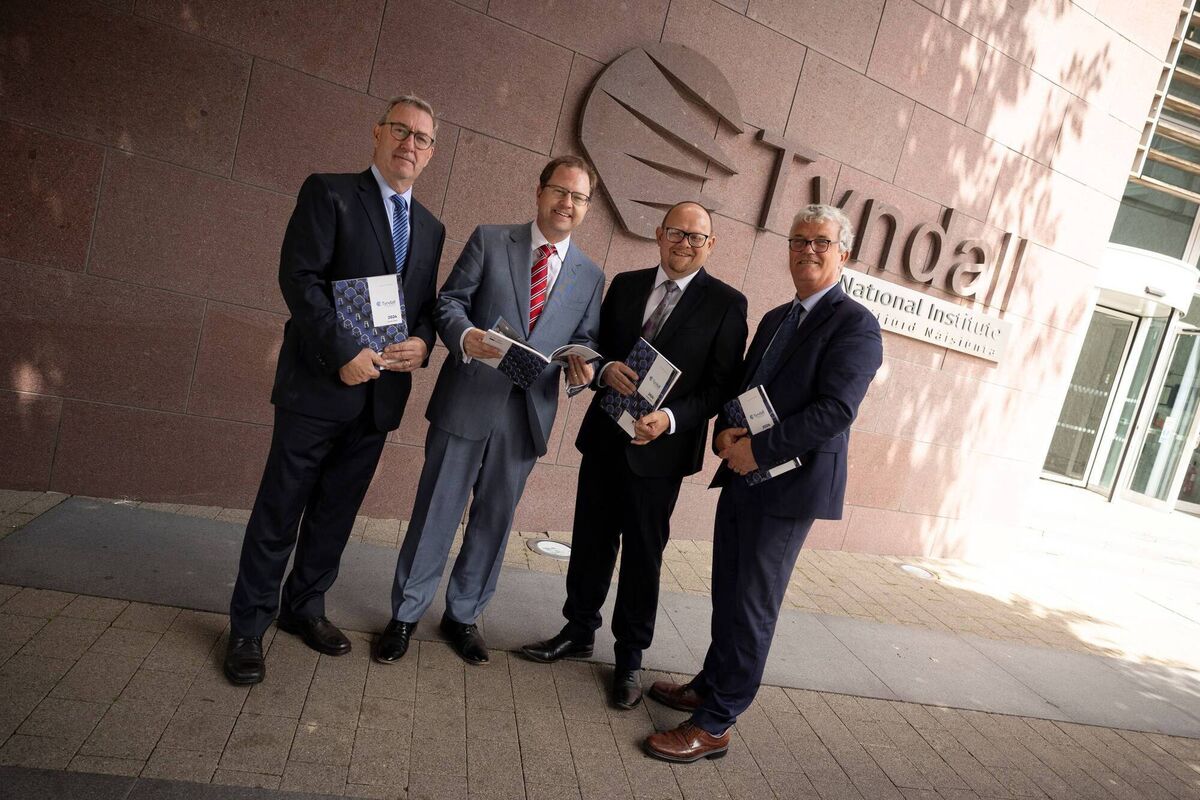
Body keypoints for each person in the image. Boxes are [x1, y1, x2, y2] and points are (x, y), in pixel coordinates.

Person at [643, 204, 883, 761]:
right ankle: (710, 682)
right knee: (727, 589)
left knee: (753, 602)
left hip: (789, 485)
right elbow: (743, 389)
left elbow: (836, 410)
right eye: (799, 240)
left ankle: (717, 721)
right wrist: (726, 435)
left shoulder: (855, 324)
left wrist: (759, 449)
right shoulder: (778, 318)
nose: (808, 251)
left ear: (842, 253)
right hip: (744, 474)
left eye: (822, 242)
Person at [223, 96, 445, 685]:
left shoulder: (431, 228)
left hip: (379, 399)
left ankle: (305, 607)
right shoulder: (329, 192)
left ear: (431, 153)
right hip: (319, 388)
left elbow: (424, 309)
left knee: (336, 513)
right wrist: (342, 352)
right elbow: (299, 279)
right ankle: (248, 625)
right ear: (377, 134)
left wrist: (424, 344)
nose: (411, 144)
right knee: (282, 506)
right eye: (401, 131)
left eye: (423, 138)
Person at [374, 156, 604, 666]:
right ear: (539, 191)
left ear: (587, 207)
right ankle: (406, 614)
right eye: (559, 191)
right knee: (436, 509)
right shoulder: (491, 238)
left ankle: (462, 615)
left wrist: (580, 366)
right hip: (469, 398)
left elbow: (585, 338)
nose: (567, 203)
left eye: (579, 197)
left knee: (494, 521)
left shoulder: (591, 275)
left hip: (526, 416)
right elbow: (448, 302)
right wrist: (465, 335)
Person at [520, 202, 747, 710]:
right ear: (659, 235)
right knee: (590, 541)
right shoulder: (624, 283)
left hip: (659, 451)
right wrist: (603, 370)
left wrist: (670, 420)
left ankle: (630, 658)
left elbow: (720, 387)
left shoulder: (727, 304)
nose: (683, 243)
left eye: (695, 236)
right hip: (604, 438)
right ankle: (578, 631)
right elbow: (589, 344)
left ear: (710, 245)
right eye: (675, 232)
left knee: (644, 555)